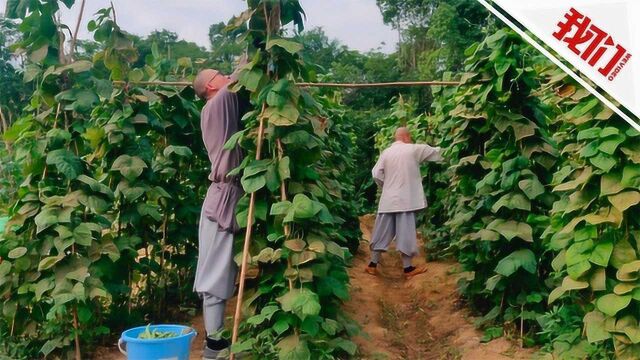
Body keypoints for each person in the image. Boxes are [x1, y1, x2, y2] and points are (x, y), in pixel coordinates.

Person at [192, 68, 249, 359]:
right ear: (212, 85)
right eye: (220, 73)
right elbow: (237, 81)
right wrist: (250, 57)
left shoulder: (221, 107)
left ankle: (215, 341)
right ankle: (214, 346)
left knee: (220, 269)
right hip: (222, 199)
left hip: (227, 195)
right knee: (214, 273)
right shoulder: (216, 105)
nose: (226, 74)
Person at [366, 127, 443, 280]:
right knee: (406, 233)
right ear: (407, 137)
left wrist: (386, 185)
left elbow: (376, 173)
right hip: (406, 200)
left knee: (381, 232)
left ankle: (372, 265)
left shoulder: (386, 152)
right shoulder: (413, 149)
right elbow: (437, 152)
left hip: (388, 200)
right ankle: (408, 268)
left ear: (396, 137)